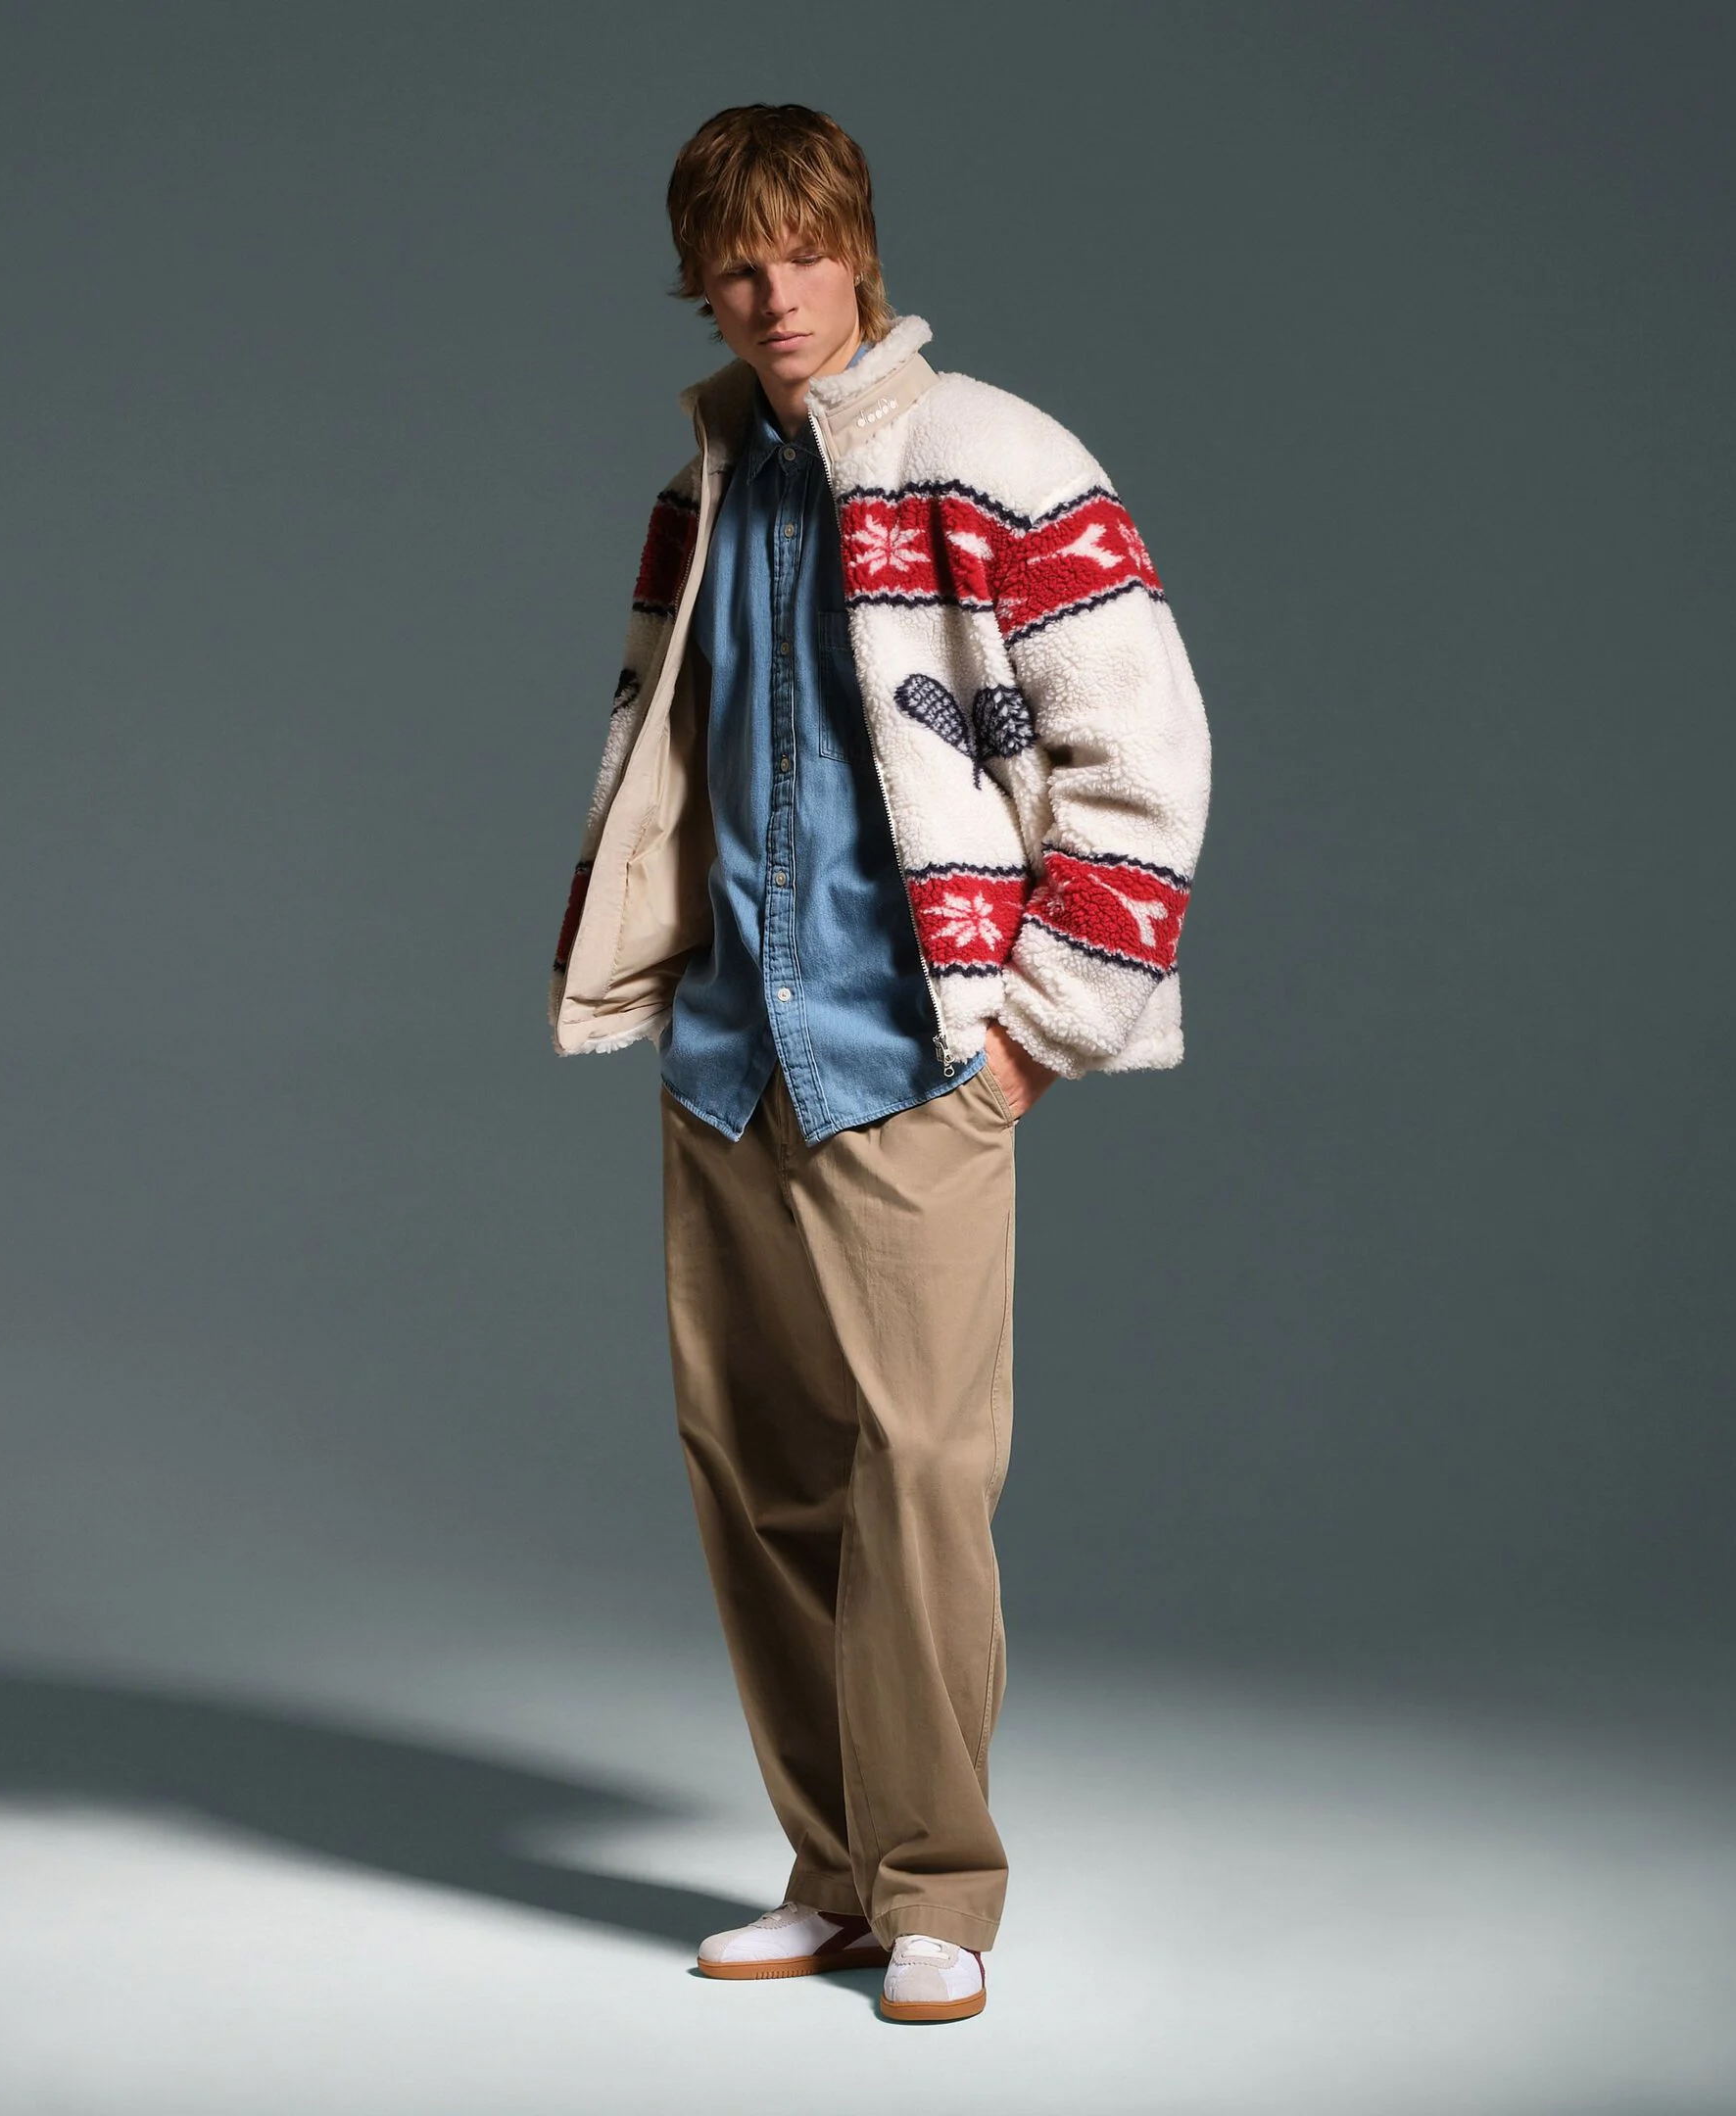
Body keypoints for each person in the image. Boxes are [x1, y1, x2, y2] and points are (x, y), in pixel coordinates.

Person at [548, 103, 1211, 2023]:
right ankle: (831, 1874)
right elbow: (664, 756)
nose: (774, 295)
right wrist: (646, 974)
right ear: (700, 279)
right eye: (736, 265)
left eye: (803, 252)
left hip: (914, 1054)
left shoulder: (996, 457)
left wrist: (1039, 1035)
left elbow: (1145, 758)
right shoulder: (705, 487)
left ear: (859, 249)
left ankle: (938, 1887)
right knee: (758, 1474)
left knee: (919, 1476)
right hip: (725, 1054)